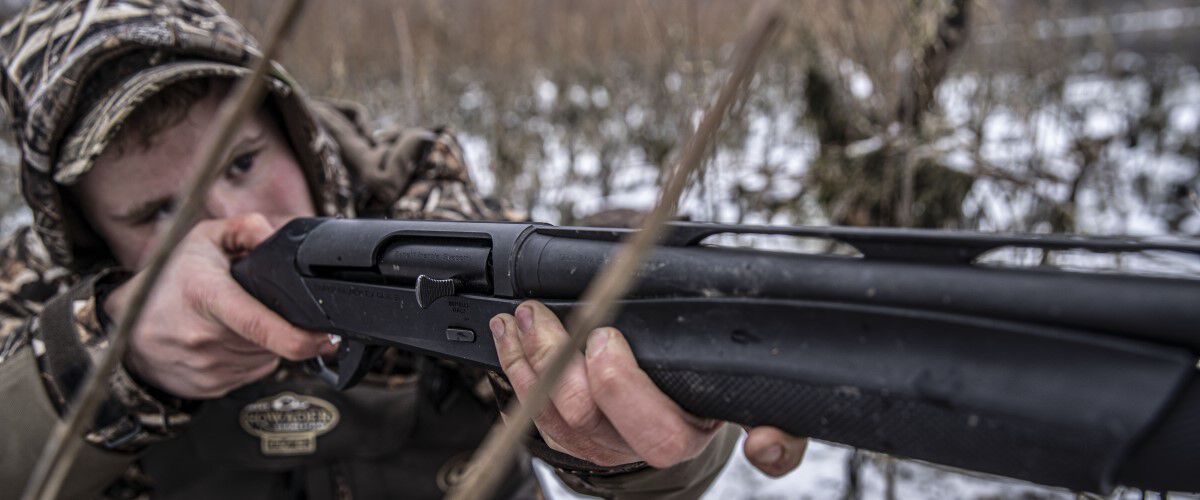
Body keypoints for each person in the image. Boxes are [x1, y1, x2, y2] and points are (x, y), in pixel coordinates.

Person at [0, 1, 806, 498]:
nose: (227, 218)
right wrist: (117, 360)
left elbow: (652, 447)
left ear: (298, 135)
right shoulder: (42, 309)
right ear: (89, 237)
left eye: (243, 162)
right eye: (154, 211)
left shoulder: (433, 216)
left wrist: (634, 454)